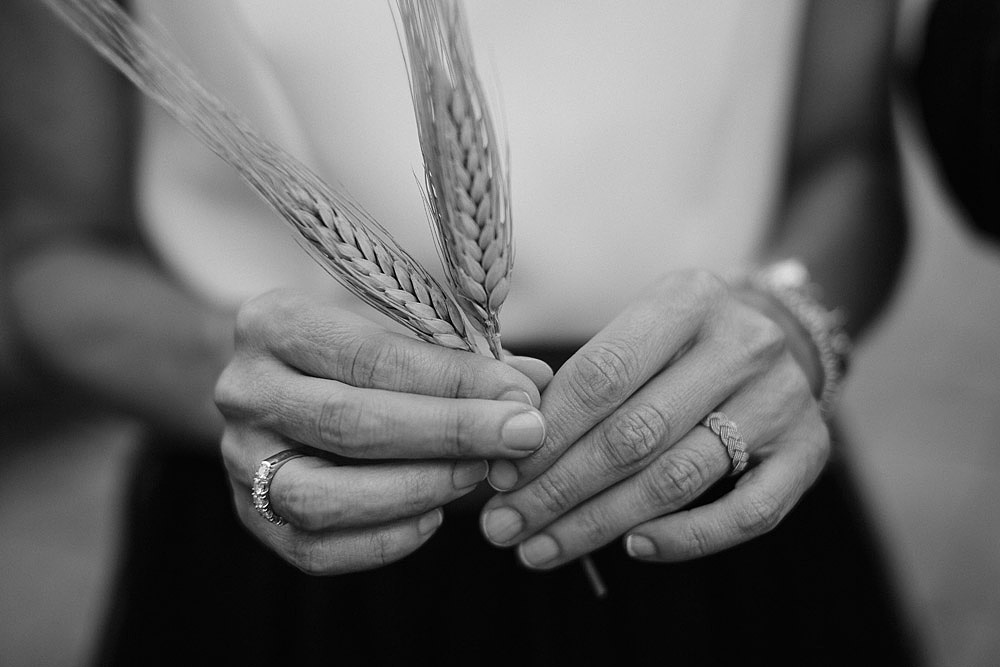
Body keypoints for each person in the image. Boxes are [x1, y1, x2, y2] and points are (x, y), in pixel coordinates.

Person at [1, 0, 920, 664]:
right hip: (295, 533)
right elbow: (44, 256)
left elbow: (850, 161)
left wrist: (790, 325)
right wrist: (225, 370)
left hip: (715, 493)